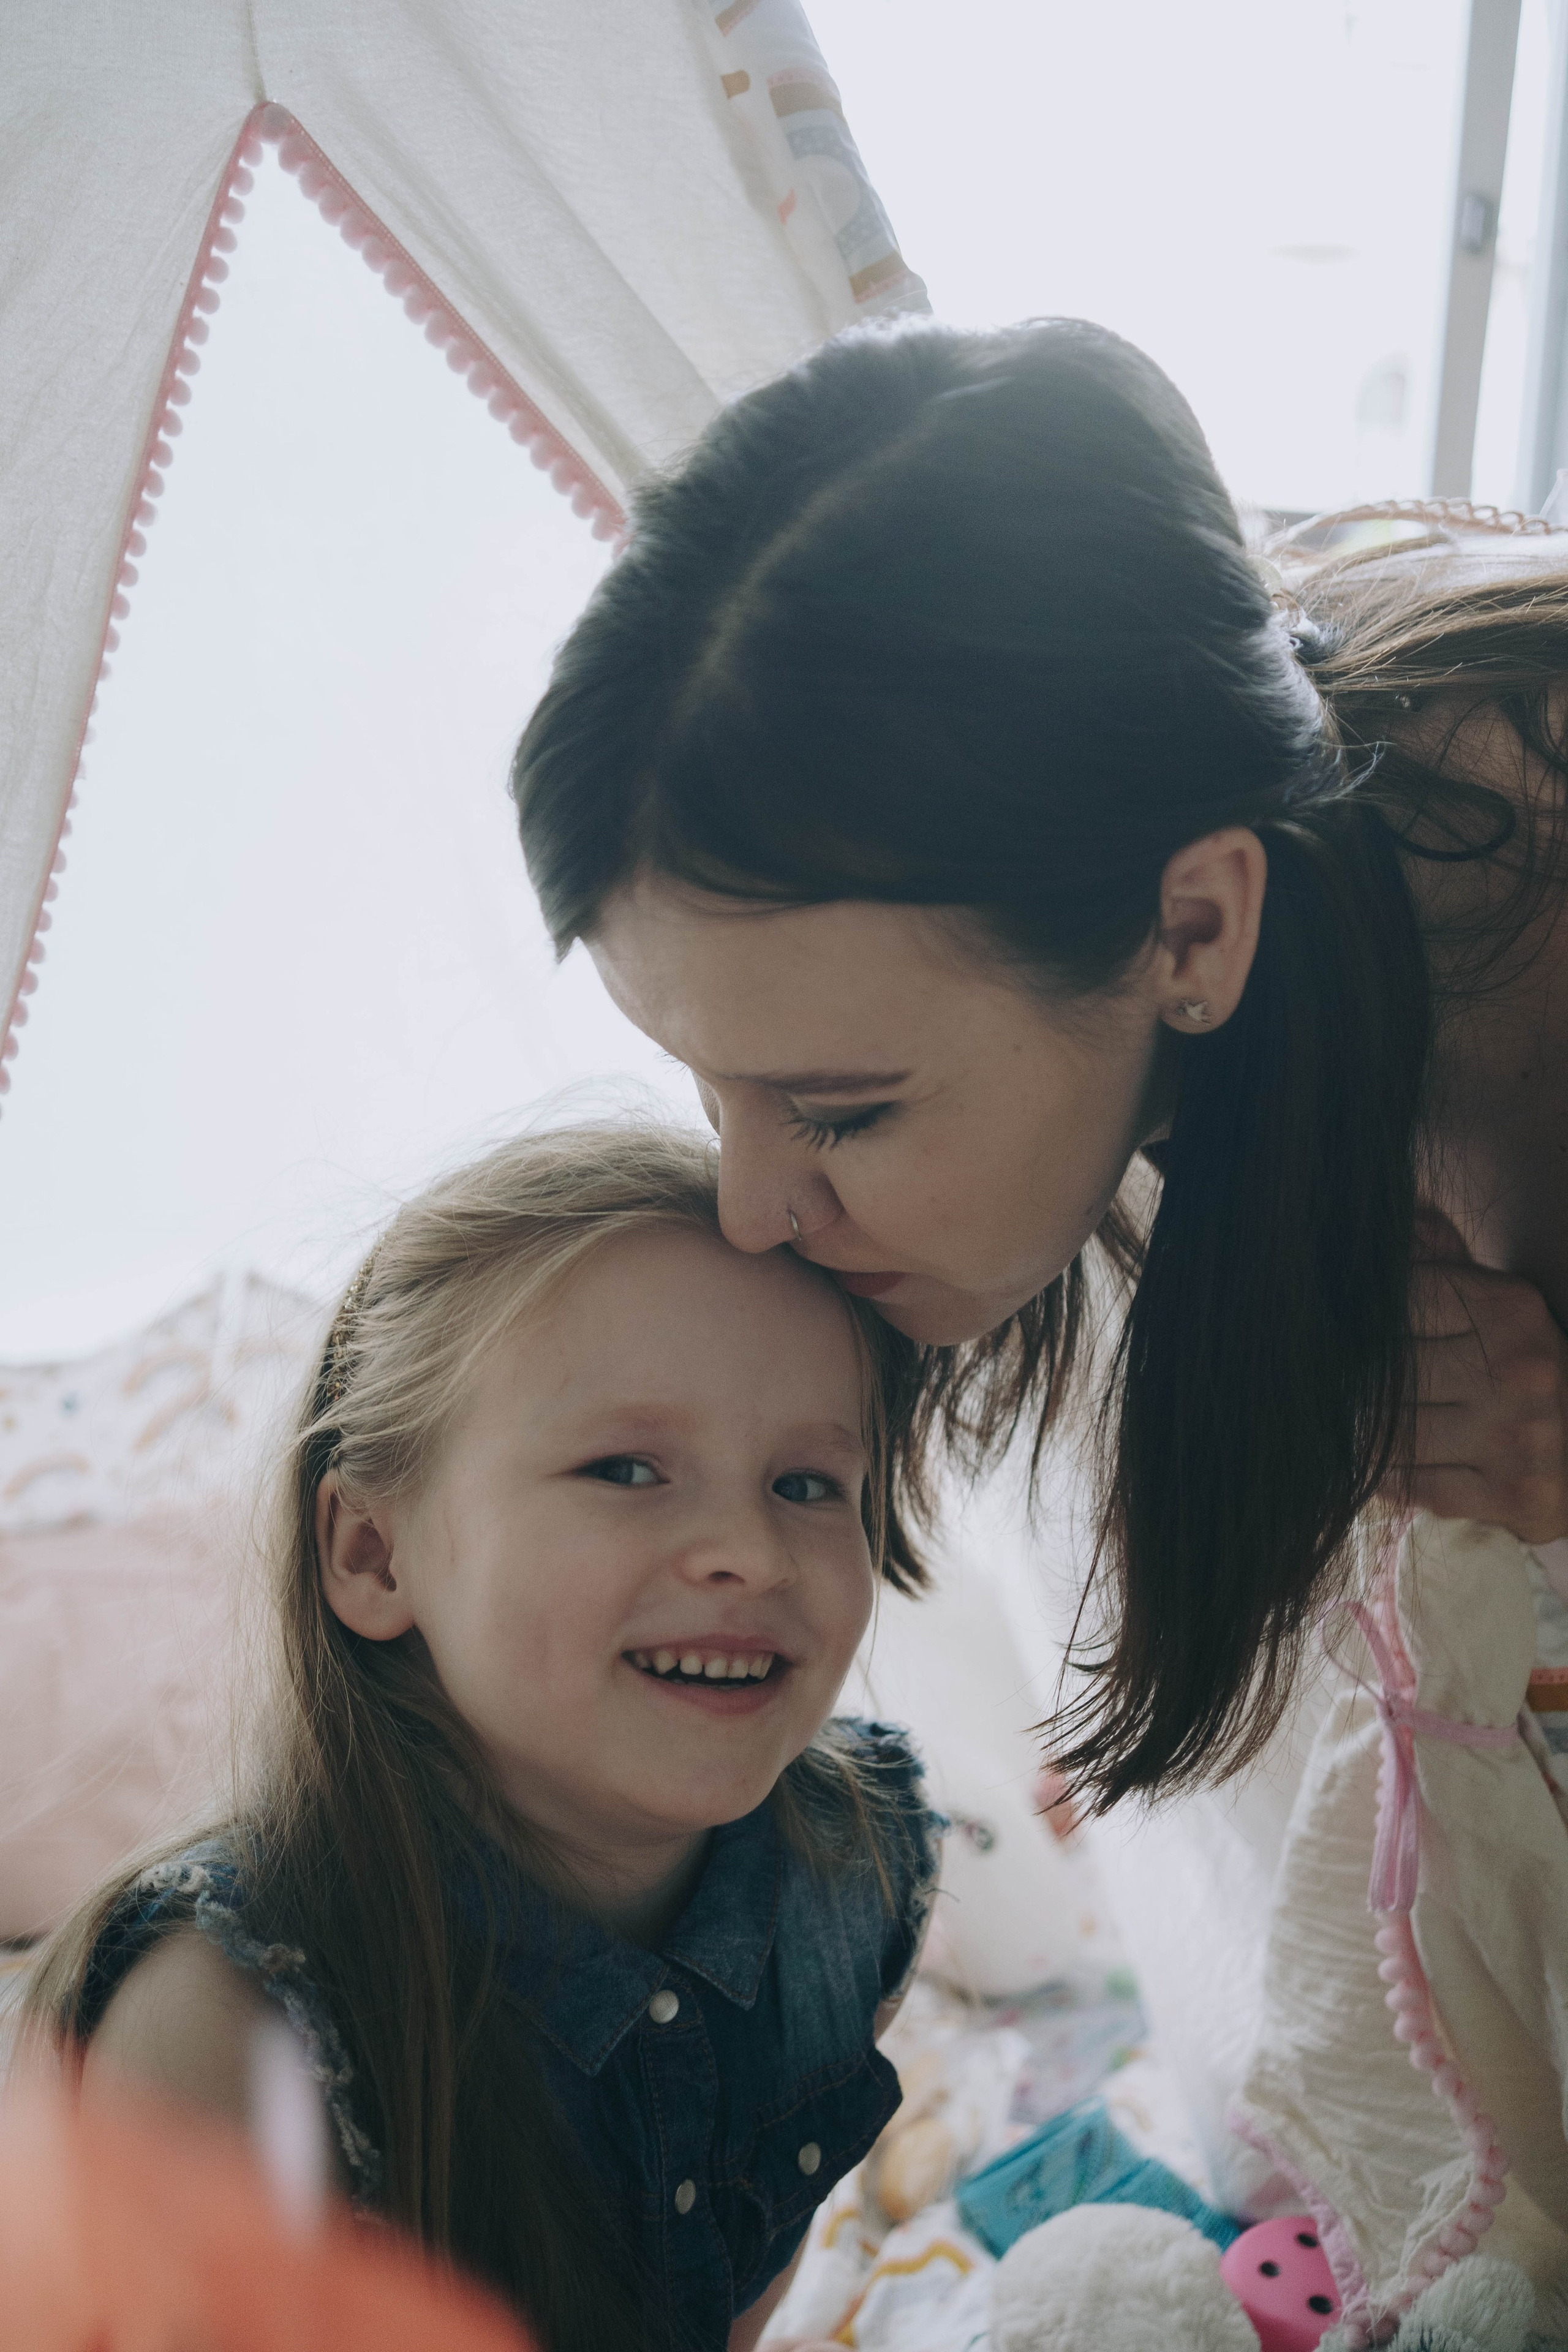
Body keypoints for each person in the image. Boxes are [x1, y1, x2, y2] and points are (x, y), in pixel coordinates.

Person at [511, 314, 1568, 1811]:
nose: (749, 1209)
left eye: (840, 1111)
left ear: (1194, 931)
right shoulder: (1197, 722)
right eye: (704, 1080)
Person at [26, 1126, 942, 2352]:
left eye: (807, 1484)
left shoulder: (862, 1870)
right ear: (373, 1553)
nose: (751, 1552)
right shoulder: (224, 2031)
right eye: (625, 1469)